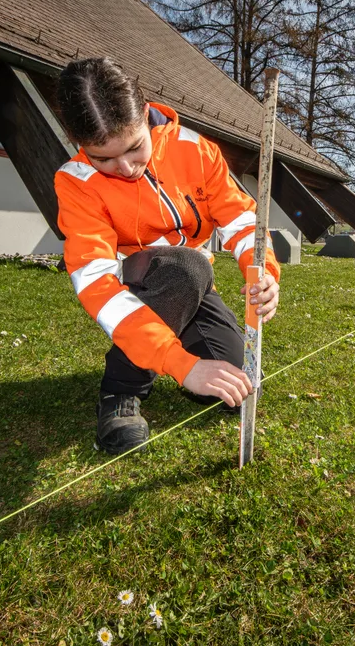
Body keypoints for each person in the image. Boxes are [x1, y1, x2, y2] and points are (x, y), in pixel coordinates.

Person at [53, 57, 281, 454]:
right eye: (103, 158)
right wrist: (182, 365)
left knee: (241, 381)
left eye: (134, 147)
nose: (126, 168)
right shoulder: (75, 182)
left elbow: (241, 219)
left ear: (145, 114)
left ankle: (176, 340)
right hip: (133, 283)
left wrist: (263, 273)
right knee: (188, 266)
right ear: (78, 143)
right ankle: (120, 390)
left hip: (192, 280)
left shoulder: (196, 149)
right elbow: (97, 283)